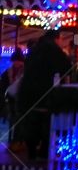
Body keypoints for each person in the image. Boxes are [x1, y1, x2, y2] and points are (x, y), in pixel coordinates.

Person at [17, 30, 72, 159]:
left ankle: (31, 153)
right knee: (46, 123)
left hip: (27, 93)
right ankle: (43, 152)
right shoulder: (54, 50)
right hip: (44, 93)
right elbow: (67, 67)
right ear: (57, 39)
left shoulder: (34, 50)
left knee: (31, 123)